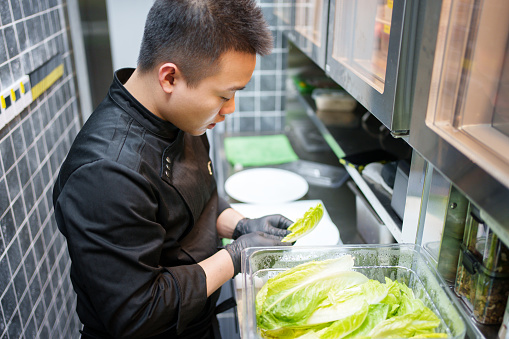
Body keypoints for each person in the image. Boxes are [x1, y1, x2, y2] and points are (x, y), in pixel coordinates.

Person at [52, 1, 294, 338]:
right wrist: (236, 256)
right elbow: (138, 312)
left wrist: (242, 226)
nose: (231, 109)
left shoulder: (179, 116)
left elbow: (194, 201)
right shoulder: (106, 174)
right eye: (225, 95)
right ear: (170, 77)